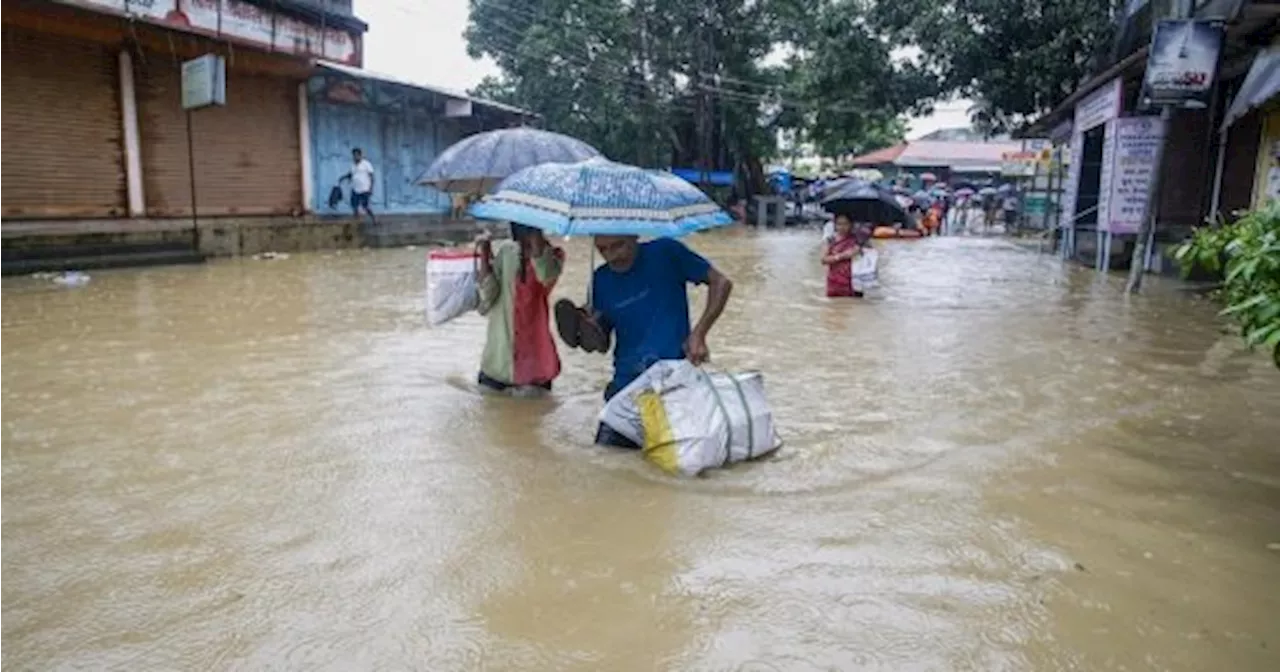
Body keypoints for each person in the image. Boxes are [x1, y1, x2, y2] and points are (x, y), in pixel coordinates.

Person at [555, 236, 733, 448]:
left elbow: (721, 283)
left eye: (618, 245)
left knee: (679, 465)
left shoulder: (666, 252)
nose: (611, 256)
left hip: (672, 384)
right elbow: (603, 345)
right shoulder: (600, 280)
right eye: (603, 249)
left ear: (633, 235)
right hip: (625, 387)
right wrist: (590, 327)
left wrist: (699, 334)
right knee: (605, 461)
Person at [475, 223, 565, 393]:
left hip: (535, 368)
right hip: (498, 362)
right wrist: (485, 256)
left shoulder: (555, 256)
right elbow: (486, 299)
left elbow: (545, 276)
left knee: (531, 414)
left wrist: (535, 241)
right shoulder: (506, 253)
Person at [822, 214, 870, 298]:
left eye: (845, 224)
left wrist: (859, 249)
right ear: (835, 225)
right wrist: (842, 256)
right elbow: (823, 260)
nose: (842, 227)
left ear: (851, 225)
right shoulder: (830, 240)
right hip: (834, 282)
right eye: (839, 224)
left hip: (853, 282)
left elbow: (868, 256)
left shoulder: (857, 239)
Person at [341, 148, 376, 224]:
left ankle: (374, 220)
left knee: (365, 207)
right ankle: (356, 221)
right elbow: (350, 174)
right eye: (354, 155)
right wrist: (343, 178)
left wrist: (371, 188)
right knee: (354, 206)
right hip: (355, 189)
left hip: (364, 189)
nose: (355, 157)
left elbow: (372, 177)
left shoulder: (366, 164)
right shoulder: (353, 165)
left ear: (360, 155)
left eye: (357, 155)